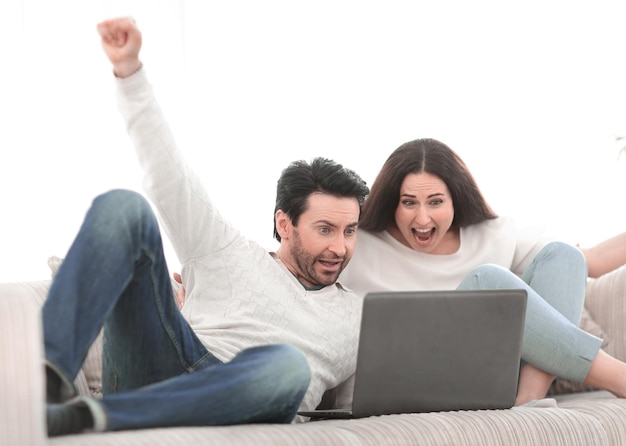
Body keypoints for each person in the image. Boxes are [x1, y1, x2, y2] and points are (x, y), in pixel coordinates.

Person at [43, 16, 369, 436]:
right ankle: (43, 382)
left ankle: (92, 417)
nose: (339, 248)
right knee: (124, 207)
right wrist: (129, 74)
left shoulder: (359, 316)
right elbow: (168, 176)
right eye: (325, 229)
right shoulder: (226, 251)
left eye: (350, 231)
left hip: (249, 395)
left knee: (286, 365)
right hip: (165, 365)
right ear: (284, 224)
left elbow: (360, 406)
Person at [338, 137, 626, 406]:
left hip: (488, 373)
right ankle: (619, 378)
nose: (422, 218)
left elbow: (590, 260)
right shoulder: (356, 243)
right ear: (393, 203)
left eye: (435, 201)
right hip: (408, 378)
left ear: (455, 199)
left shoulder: (488, 236)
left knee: (565, 255)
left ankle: (530, 400)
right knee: (487, 279)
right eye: (409, 202)